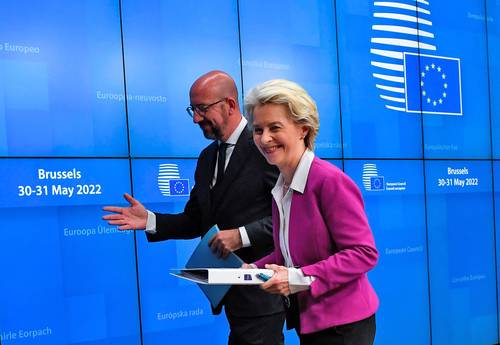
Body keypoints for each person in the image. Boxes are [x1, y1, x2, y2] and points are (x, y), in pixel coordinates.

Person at [102, 71, 285, 345]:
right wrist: (151, 220)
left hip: (261, 292)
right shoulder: (207, 157)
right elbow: (196, 219)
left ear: (230, 105)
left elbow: (290, 218)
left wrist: (242, 235)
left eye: (202, 109)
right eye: (193, 110)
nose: (196, 118)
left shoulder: (266, 148)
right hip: (227, 291)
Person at [244, 79, 379, 345]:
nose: (265, 138)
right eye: (258, 130)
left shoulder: (329, 181)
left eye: (275, 128)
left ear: (302, 129)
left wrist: (298, 277)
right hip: (311, 321)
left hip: (344, 326)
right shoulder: (282, 185)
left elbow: (363, 254)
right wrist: (250, 269)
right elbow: (289, 254)